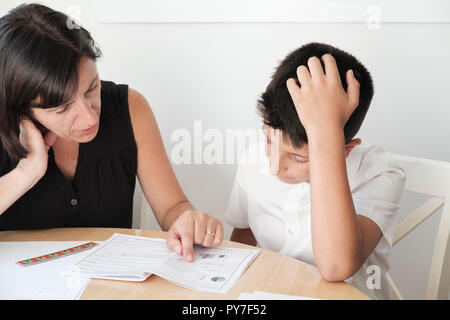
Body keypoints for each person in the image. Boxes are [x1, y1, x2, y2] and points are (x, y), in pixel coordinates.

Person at [0, 3, 223, 262]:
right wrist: (26, 173)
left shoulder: (131, 107)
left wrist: (187, 220)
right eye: (62, 108)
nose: (89, 115)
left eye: (91, 88)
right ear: (22, 109)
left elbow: (172, 209)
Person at [225, 42, 406, 299]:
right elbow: (242, 240)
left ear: (345, 149)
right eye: (268, 141)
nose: (274, 166)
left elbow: (336, 266)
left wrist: (325, 136)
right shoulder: (253, 160)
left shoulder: (379, 172)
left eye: (299, 158)